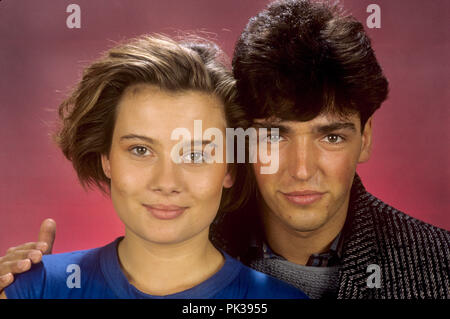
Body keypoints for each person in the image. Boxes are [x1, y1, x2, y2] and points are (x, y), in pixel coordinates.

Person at [0, 34, 307, 299]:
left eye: (196, 156)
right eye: (141, 150)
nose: (166, 182)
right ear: (106, 159)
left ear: (229, 169)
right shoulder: (35, 289)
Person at [210, 0, 450, 299]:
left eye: (331, 138)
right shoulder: (164, 257)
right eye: (274, 136)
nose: (302, 170)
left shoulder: (441, 267)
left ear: (365, 138)